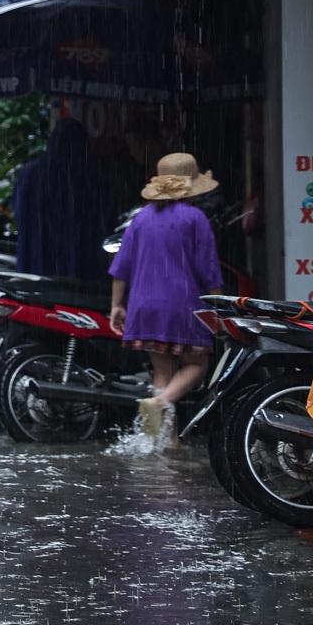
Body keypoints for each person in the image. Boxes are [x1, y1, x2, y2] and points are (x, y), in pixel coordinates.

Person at [108, 153, 225, 444]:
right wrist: (221, 308)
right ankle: (162, 403)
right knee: (197, 365)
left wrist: (116, 305)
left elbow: (121, 267)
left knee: (163, 371)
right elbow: (208, 270)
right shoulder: (195, 218)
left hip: (143, 307)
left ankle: (165, 442)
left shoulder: (141, 218)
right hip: (182, 306)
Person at [12, 116, 111, 279]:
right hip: (80, 265)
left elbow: (19, 211)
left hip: (37, 261)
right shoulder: (89, 175)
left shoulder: (30, 172)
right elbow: (103, 216)